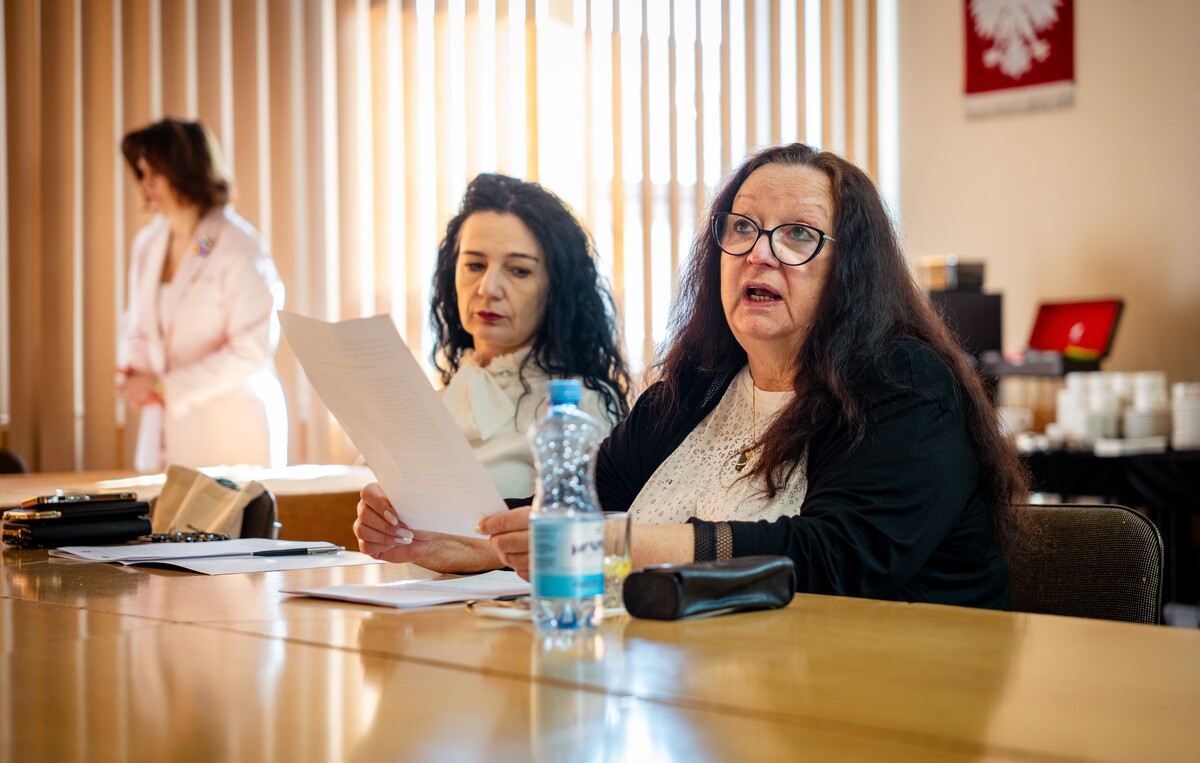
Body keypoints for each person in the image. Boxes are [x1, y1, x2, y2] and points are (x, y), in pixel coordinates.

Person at [357, 144, 1030, 608]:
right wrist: (458, 538)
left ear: (853, 269)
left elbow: (835, 560)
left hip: (888, 701)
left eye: (798, 234)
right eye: (743, 228)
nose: (760, 254)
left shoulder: (907, 383)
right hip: (711, 689)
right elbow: (583, 507)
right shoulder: (699, 385)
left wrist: (620, 544)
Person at [356, 173, 630, 534]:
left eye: (518, 270)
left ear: (556, 288)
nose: (488, 288)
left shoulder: (580, 409)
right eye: (475, 265)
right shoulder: (436, 400)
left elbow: (584, 539)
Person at [117, 118, 287, 473]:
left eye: (155, 173)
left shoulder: (238, 245)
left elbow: (251, 349)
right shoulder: (149, 244)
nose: (145, 183)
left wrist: (166, 387)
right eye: (142, 173)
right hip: (166, 430)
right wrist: (135, 372)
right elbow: (138, 322)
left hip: (230, 431)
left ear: (185, 171)